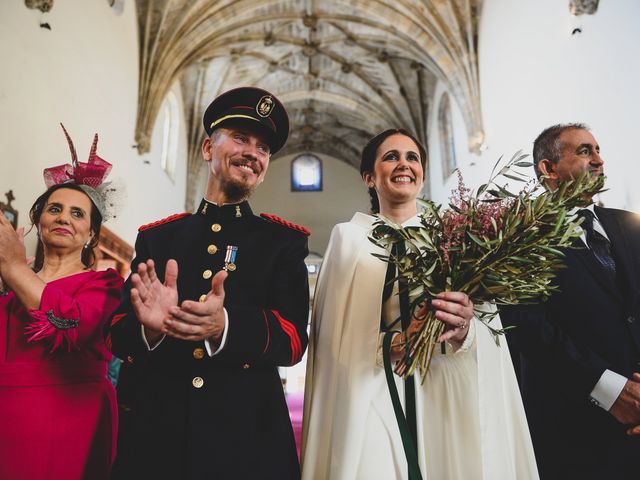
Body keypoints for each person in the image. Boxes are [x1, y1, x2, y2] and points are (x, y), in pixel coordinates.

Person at [301, 129, 538, 480]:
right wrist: (394, 345)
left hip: (442, 391)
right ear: (369, 177)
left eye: (412, 158)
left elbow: (486, 333)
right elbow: (334, 339)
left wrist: (464, 327)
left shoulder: (456, 238)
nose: (404, 164)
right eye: (391, 156)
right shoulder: (348, 238)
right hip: (373, 392)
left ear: (423, 175)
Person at [109, 87, 310, 479]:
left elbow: (292, 339)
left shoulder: (283, 242)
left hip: (247, 435)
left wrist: (226, 326)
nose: (253, 152)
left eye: (264, 148)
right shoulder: (158, 238)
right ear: (207, 148)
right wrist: (151, 331)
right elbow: (117, 333)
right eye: (240, 138)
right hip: (159, 433)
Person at [500, 123, 640, 479]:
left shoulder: (629, 226)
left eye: (597, 150)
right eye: (584, 151)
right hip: (575, 428)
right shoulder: (520, 236)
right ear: (548, 169)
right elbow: (528, 327)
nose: (599, 160)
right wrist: (611, 390)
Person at [0, 125, 123, 480]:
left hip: (71, 421)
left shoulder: (104, 283)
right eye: (55, 208)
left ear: (91, 235)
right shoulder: (9, 290)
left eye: (77, 213)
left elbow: (71, 325)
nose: (64, 218)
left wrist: (12, 266)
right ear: (38, 221)